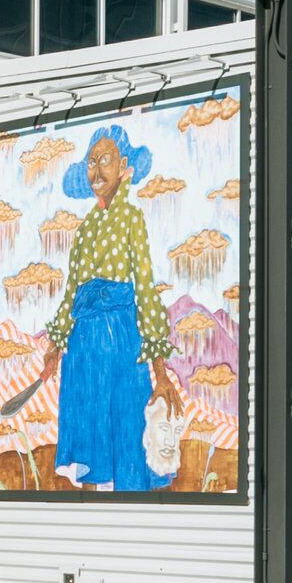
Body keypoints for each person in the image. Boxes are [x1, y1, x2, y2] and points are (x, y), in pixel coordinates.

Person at [47, 125, 182, 490]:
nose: (96, 170)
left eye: (104, 160)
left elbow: (146, 290)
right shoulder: (85, 228)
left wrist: (161, 372)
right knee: (89, 435)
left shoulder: (131, 218)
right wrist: (55, 345)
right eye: (91, 162)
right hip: (83, 349)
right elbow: (71, 292)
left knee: (127, 429)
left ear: (123, 166)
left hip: (122, 343)